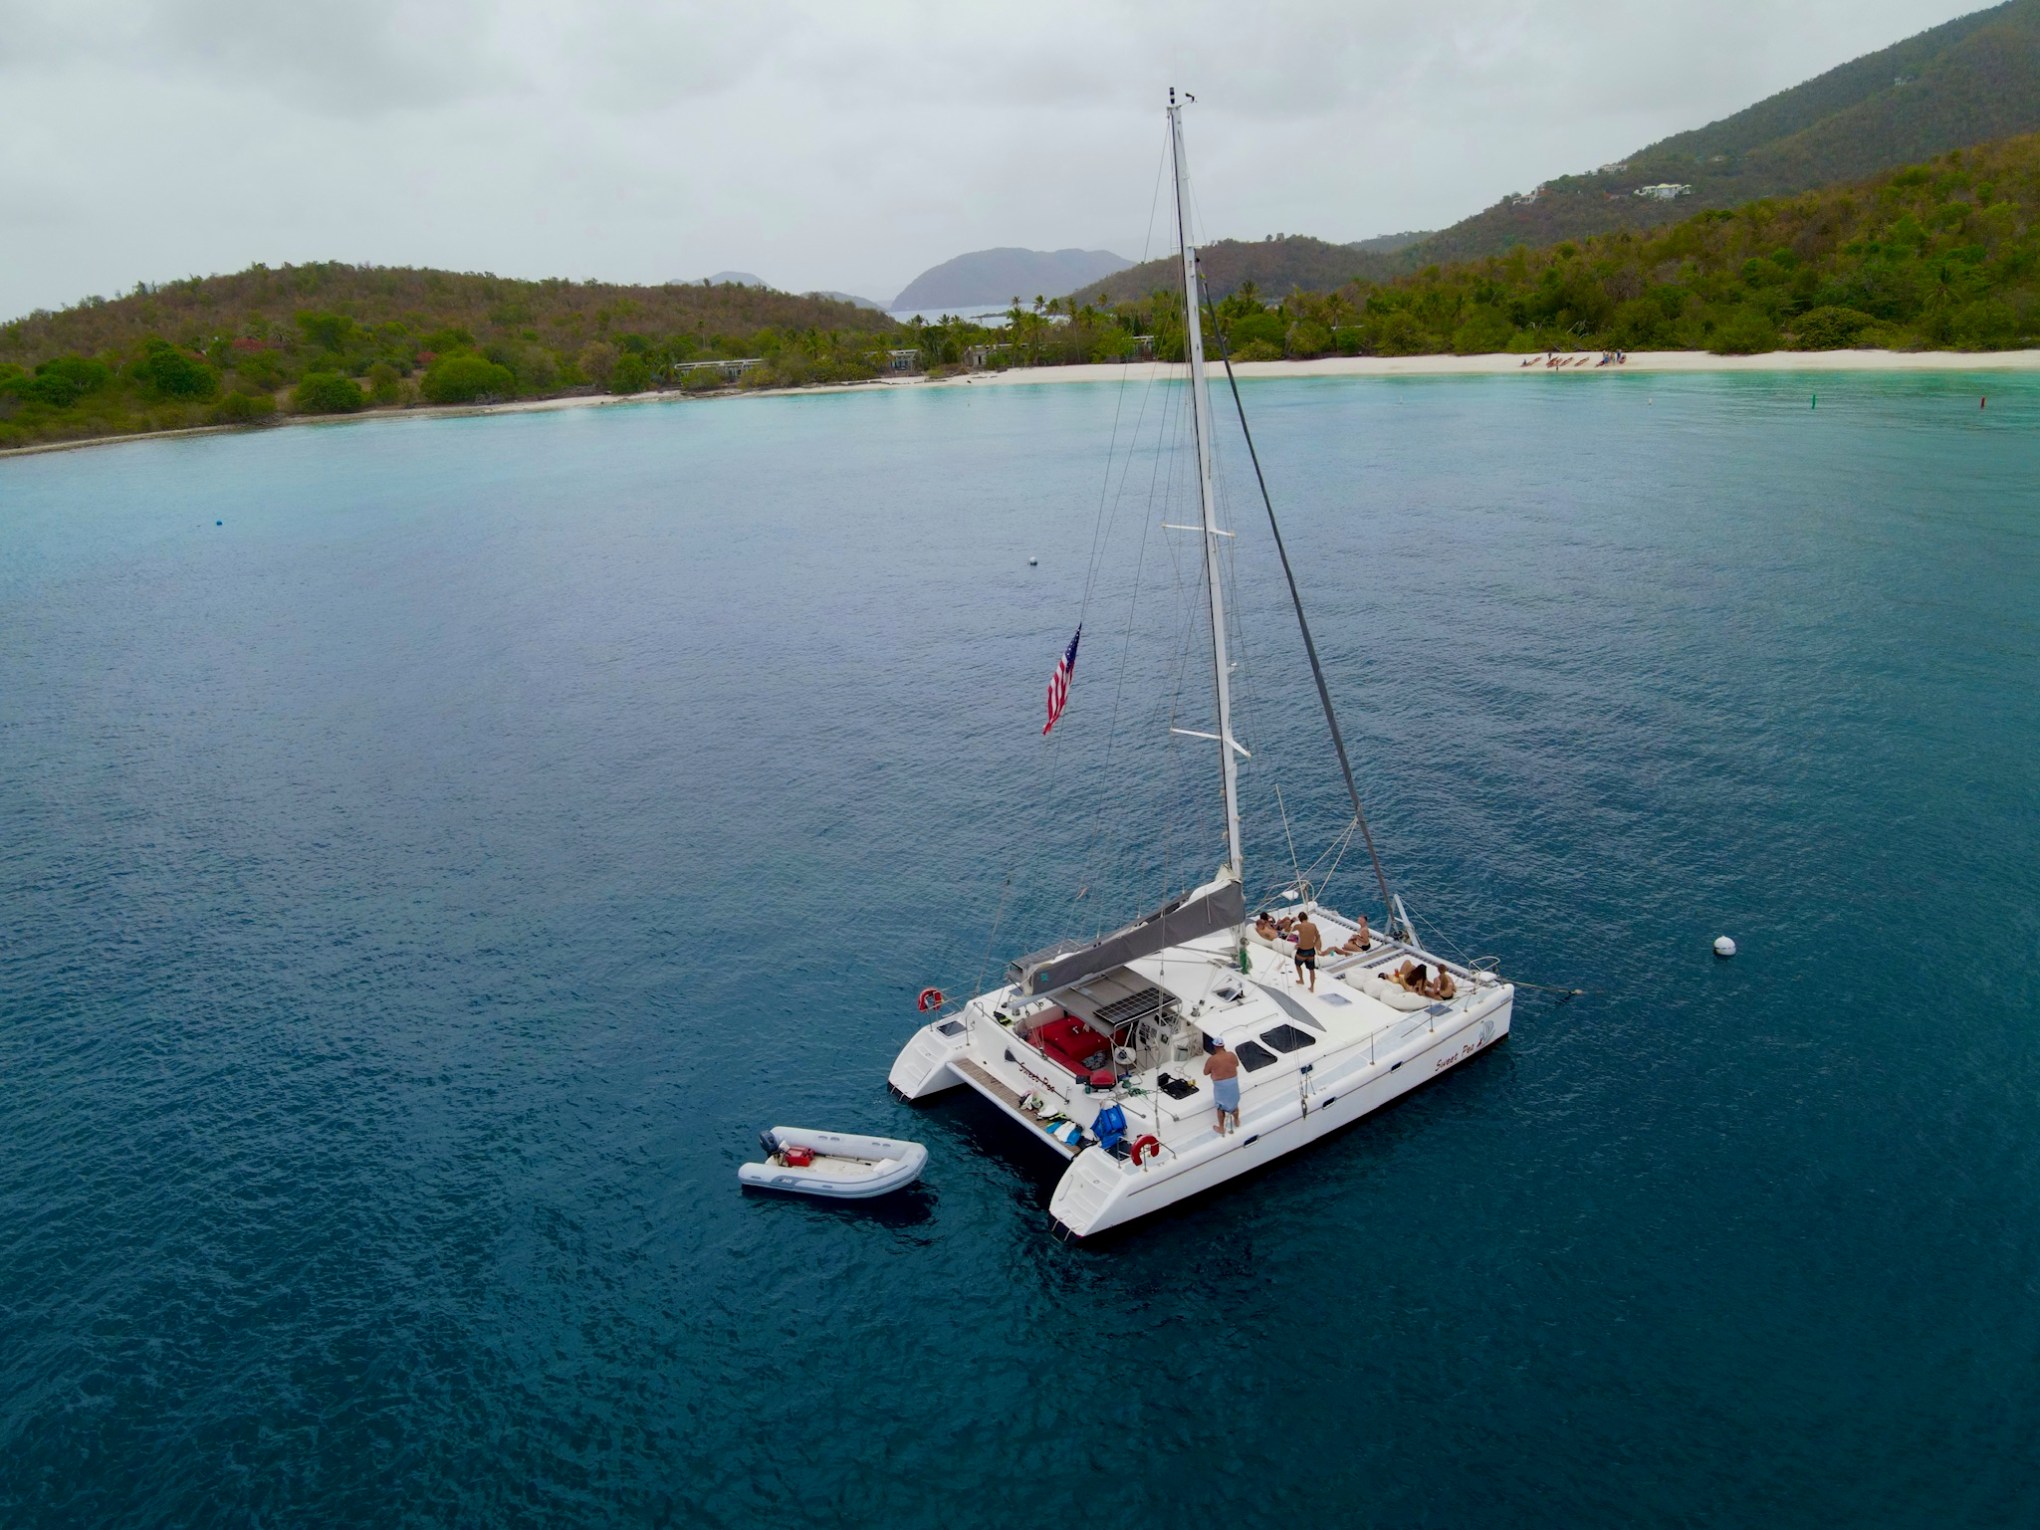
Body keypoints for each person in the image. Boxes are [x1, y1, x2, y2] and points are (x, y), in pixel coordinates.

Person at [1204, 1037, 1241, 1135]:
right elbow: (1236, 1064)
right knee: (1234, 1104)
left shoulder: (1212, 1059)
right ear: (1223, 1046)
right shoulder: (1232, 1055)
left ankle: (1221, 1127)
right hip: (1233, 1083)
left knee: (1220, 1107)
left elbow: (1205, 1072)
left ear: (1215, 1047)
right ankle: (1236, 1121)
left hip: (1221, 1085)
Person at [1292, 911, 1322, 991]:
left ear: (1300, 919)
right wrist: (1314, 944)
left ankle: (1301, 980)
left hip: (1302, 950)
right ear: (1307, 918)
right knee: (1311, 970)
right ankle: (1312, 987)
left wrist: (1292, 921)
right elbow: (1318, 936)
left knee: (1297, 965)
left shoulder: (1299, 926)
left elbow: (1289, 930)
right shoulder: (1313, 925)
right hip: (1311, 950)